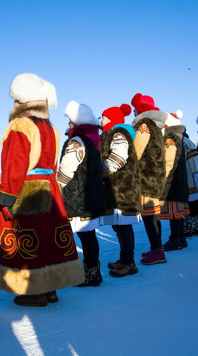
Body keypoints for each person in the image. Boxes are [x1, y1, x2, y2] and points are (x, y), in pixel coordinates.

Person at [0, 73, 84, 307]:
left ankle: (34, 291)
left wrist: (6, 199)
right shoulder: (50, 128)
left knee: (28, 240)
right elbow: (52, 164)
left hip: (26, 190)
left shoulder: (20, 126)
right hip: (49, 189)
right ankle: (50, 288)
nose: (13, 104)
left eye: (16, 100)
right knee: (48, 238)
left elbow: (15, 164)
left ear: (24, 102)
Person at [57, 101, 106, 286]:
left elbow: (66, 170)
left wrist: (57, 186)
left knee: (74, 237)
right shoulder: (93, 139)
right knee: (89, 236)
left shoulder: (77, 140)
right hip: (90, 195)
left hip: (77, 197)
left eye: (70, 120)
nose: (69, 124)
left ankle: (84, 274)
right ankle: (93, 274)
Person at [100, 104, 142, 277]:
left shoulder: (118, 135)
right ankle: (124, 259)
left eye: (103, 117)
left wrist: (99, 172)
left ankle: (129, 263)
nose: (100, 120)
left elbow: (117, 159)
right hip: (116, 188)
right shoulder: (112, 135)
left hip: (122, 189)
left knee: (123, 227)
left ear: (111, 119)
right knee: (120, 227)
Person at [130, 93, 167, 265]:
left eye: (135, 110)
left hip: (146, 176)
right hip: (155, 175)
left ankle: (157, 250)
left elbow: (137, 150)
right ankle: (157, 248)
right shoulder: (156, 126)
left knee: (149, 215)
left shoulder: (144, 126)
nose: (133, 113)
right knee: (153, 214)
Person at [160, 112, 190, 252]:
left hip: (172, 183)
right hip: (180, 180)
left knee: (174, 214)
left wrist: (162, 178)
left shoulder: (170, 139)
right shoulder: (179, 138)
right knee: (178, 214)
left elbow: (168, 161)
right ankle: (181, 238)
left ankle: (175, 239)